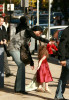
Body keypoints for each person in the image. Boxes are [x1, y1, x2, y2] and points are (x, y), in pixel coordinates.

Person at [7, 16, 49, 94]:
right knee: (21, 65)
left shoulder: (27, 37)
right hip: (13, 48)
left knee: (22, 66)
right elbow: (36, 37)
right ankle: (19, 89)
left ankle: (19, 88)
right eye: (39, 33)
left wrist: (31, 62)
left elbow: (27, 50)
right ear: (36, 31)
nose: (39, 35)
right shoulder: (28, 31)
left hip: (16, 48)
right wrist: (47, 41)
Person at [54, 26, 69, 100]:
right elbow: (62, 45)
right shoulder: (67, 31)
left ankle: (59, 96)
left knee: (63, 77)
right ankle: (58, 96)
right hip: (67, 58)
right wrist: (62, 58)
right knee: (63, 77)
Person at [0, 16, 8, 87]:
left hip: (2, 47)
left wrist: (5, 39)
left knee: (1, 65)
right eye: (0, 21)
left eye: (2, 21)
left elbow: (6, 35)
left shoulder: (3, 27)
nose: (1, 22)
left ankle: (1, 83)